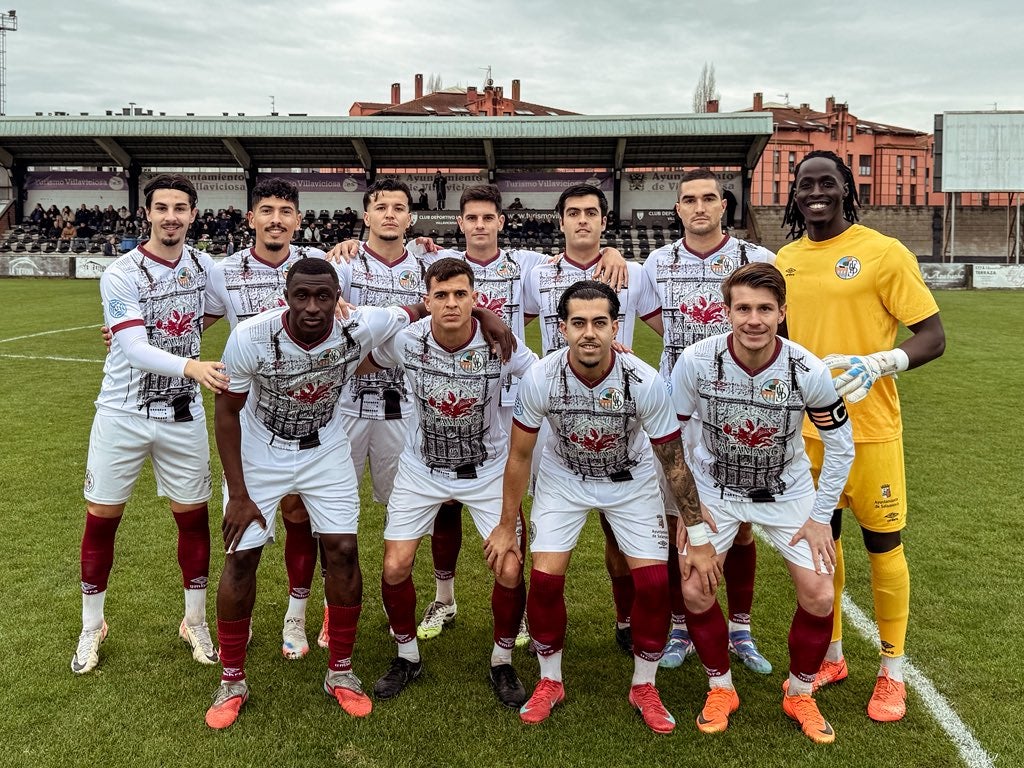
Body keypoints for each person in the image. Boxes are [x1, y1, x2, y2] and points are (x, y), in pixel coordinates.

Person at [489, 280, 712, 734]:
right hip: (563, 478)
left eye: (599, 323)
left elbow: (673, 461)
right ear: (562, 328)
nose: (588, 333)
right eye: (578, 323)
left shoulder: (644, 380)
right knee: (547, 583)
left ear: (615, 327)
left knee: (651, 586)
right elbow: (519, 456)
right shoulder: (541, 377)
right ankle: (550, 680)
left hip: (629, 481)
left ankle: (644, 684)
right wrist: (507, 524)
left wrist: (698, 530)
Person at [410, 184, 627, 645]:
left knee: (515, 501)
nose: (481, 226)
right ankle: (444, 597)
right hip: (455, 393)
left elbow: (574, 263)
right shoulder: (437, 261)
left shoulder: (528, 265)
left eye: (489, 218)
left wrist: (612, 250)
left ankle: (521, 605)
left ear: (501, 223)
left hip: (519, 398)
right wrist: (487, 313)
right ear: (460, 223)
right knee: (446, 500)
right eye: (472, 218)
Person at [205, 258, 416, 729]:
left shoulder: (360, 325)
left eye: (324, 296)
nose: (313, 307)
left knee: (342, 551)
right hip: (263, 449)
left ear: (339, 297)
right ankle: (232, 679)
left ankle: (340, 672)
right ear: (286, 296)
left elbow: (416, 309)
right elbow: (226, 413)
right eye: (302, 296)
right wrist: (239, 493)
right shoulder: (251, 337)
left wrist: (483, 316)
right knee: (241, 556)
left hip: (326, 447)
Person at [776, 150, 945, 723]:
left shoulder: (882, 252)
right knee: (826, 541)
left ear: (847, 189)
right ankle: (834, 654)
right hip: (808, 432)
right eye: (805, 185)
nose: (815, 193)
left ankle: (892, 670)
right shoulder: (787, 258)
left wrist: (882, 362)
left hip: (871, 430)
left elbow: (933, 336)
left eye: (828, 183)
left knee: (883, 546)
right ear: (794, 195)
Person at [672, 262, 854, 743]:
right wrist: (688, 514)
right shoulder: (695, 361)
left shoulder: (807, 368)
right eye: (743, 308)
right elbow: (671, 439)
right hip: (715, 490)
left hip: (787, 491)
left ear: (782, 312)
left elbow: (841, 445)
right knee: (695, 588)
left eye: (765, 309)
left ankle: (800, 692)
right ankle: (721, 687)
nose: (753, 320)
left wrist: (819, 518)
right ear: (726, 312)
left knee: (819, 593)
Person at [365, 258, 538, 708]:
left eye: (461, 294)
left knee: (510, 566)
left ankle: (502, 660)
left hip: (487, 471)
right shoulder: (406, 341)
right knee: (395, 566)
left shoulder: (502, 343)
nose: (451, 303)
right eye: (440, 295)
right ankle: (407, 655)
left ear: (475, 299)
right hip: (422, 468)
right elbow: (364, 360)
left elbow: (542, 374)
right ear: (427, 301)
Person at [73, 174, 228, 675]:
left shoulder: (206, 265)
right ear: (147, 213)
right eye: (161, 207)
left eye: (180, 208)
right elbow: (136, 350)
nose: (171, 217)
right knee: (102, 518)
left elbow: (234, 298)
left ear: (193, 214)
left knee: (193, 518)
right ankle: (91, 625)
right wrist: (189, 364)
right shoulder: (121, 272)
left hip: (180, 416)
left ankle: (195, 621)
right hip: (122, 412)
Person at [642, 168, 775, 673]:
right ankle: (680, 626)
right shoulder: (657, 261)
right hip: (676, 404)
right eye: (688, 200)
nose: (699, 207)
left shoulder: (757, 259)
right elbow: (655, 320)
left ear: (725, 206)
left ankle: (739, 629)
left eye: (708, 199)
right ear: (677, 208)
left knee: (739, 525)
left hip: (737, 406)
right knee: (680, 519)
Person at [522, 183, 660, 654]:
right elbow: (498, 315)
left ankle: (625, 620)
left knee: (618, 534)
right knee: (548, 531)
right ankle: (532, 618)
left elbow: (673, 328)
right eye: (573, 213)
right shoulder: (535, 273)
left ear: (604, 221)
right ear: (560, 221)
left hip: (619, 414)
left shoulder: (635, 273)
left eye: (592, 213)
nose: (582, 220)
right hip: (557, 419)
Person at [205, 178, 336, 660]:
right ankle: (221, 626)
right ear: (251, 219)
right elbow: (195, 318)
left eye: (286, 210)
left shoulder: (322, 260)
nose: (276, 218)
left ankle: (296, 617)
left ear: (298, 220)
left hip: (311, 404)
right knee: (247, 534)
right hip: (253, 414)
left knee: (303, 515)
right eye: (267, 210)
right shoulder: (223, 271)